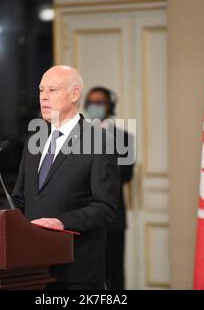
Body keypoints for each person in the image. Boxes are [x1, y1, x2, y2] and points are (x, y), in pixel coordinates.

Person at [11, 65, 120, 290]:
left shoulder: (99, 141)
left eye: (52, 90)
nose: (43, 97)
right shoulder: (35, 141)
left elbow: (105, 206)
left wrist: (62, 222)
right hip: (31, 269)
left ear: (74, 94)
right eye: (41, 90)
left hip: (76, 270)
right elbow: (19, 200)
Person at [84, 86, 135, 290]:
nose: (95, 107)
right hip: (84, 216)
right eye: (91, 103)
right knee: (89, 275)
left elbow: (126, 174)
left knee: (114, 273)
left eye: (100, 102)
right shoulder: (78, 137)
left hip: (114, 217)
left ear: (109, 106)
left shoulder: (124, 138)